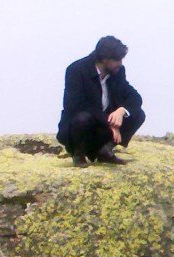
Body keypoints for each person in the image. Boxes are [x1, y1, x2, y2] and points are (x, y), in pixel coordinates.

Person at [56, 36, 146, 167]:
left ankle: (104, 151)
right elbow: (75, 105)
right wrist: (109, 122)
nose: (120, 63)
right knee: (82, 118)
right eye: (117, 59)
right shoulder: (76, 70)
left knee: (138, 114)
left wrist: (121, 111)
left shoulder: (117, 71)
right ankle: (78, 154)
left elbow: (135, 97)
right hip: (79, 131)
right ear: (104, 59)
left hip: (101, 129)